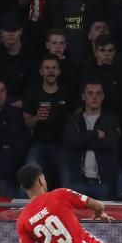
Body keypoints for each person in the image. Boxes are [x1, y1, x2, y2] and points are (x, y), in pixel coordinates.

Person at [23, 54, 74, 189]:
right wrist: (36, 118)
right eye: (47, 68)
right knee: (30, 176)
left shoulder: (67, 93)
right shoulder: (32, 93)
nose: (51, 71)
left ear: (58, 71)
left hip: (62, 145)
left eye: (54, 68)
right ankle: (32, 208)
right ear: (41, 71)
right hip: (39, 144)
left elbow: (78, 118)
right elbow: (27, 124)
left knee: (68, 181)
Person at [63, 80, 120, 199]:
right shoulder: (74, 120)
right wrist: (95, 134)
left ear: (103, 96)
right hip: (78, 182)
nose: (94, 97)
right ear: (84, 96)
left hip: (103, 182)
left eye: (98, 93)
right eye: (90, 93)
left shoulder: (110, 120)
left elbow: (109, 143)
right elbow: (71, 142)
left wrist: (83, 140)